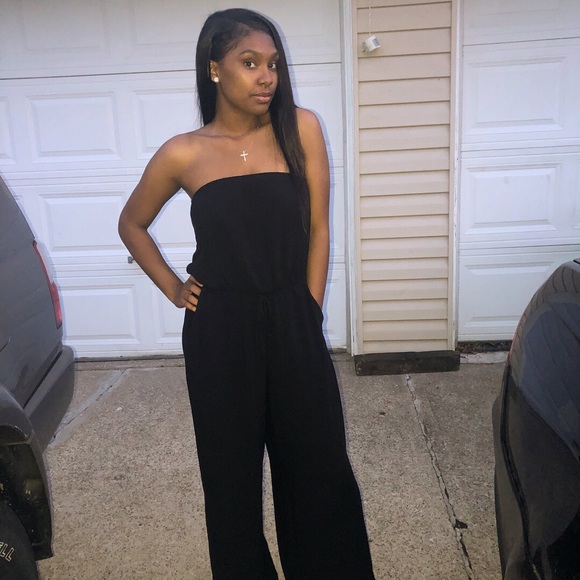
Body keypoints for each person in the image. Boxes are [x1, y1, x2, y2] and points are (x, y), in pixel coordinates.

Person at [118, 8, 374, 579]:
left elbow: (319, 229)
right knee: (230, 482)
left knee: (319, 469)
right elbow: (131, 223)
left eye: (273, 64)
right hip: (219, 331)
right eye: (250, 63)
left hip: (292, 318)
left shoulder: (300, 128)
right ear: (215, 69)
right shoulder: (183, 152)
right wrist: (174, 288)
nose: (266, 77)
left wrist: (307, 308)